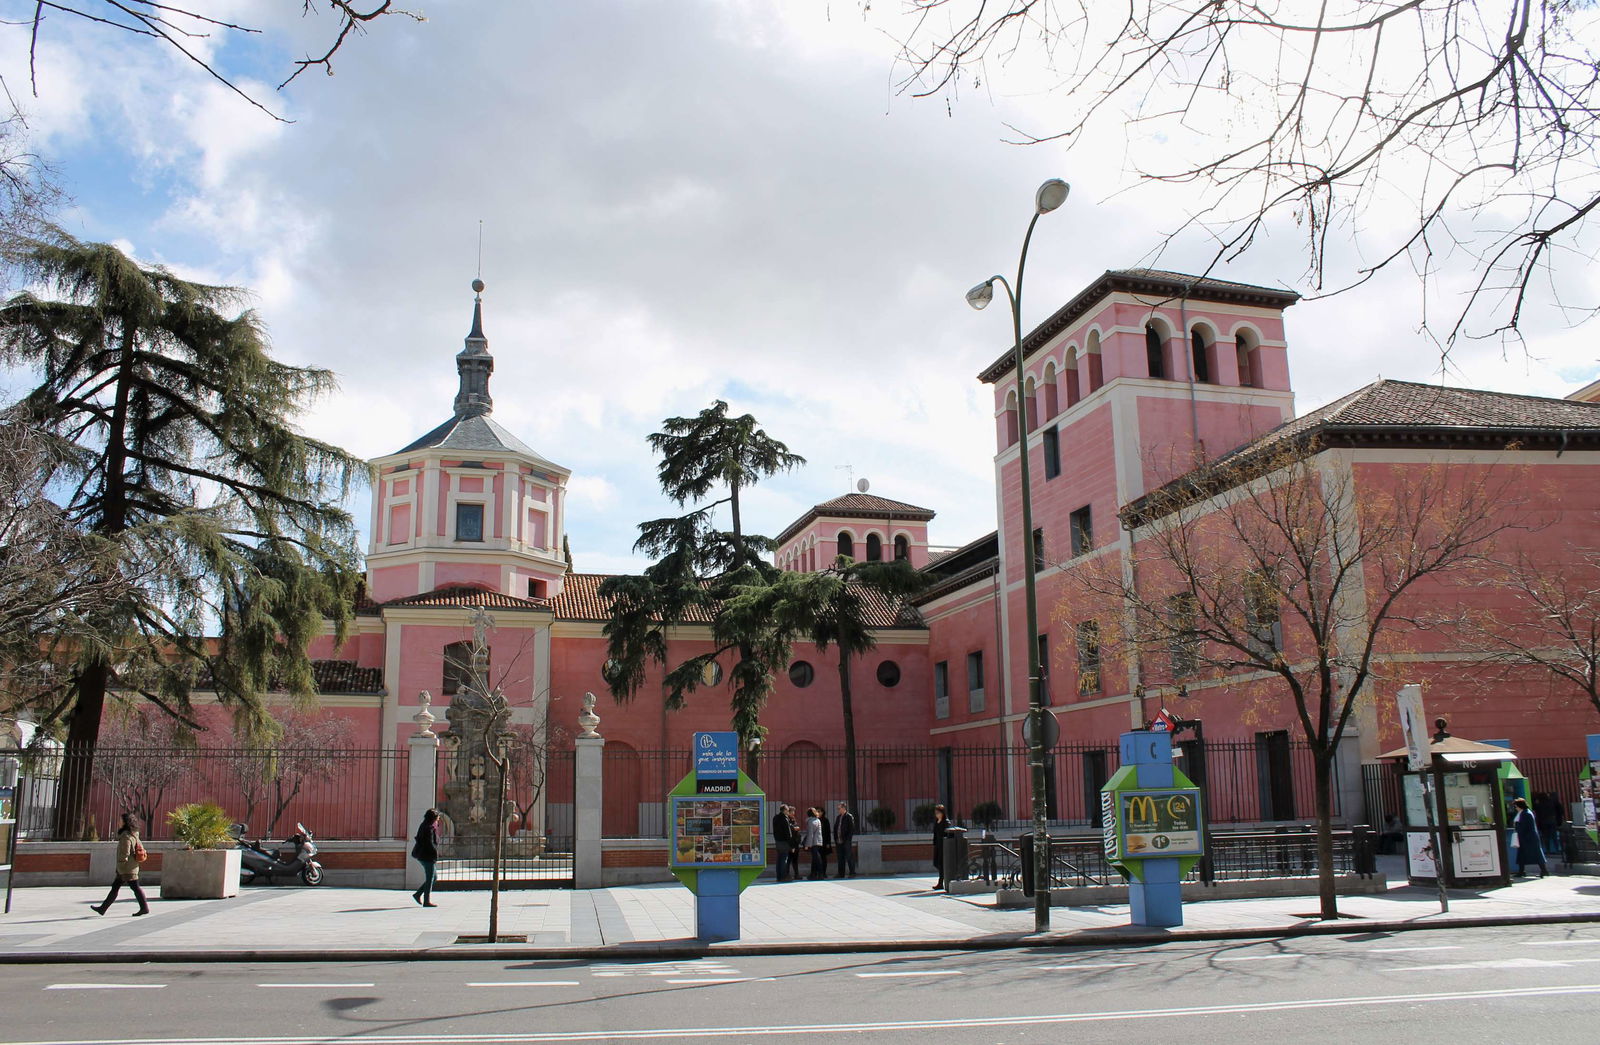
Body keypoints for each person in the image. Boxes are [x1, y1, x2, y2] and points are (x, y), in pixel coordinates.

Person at [91, 812, 150, 917]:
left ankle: (144, 908)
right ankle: (102, 908)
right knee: (116, 887)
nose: (119, 822)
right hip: (130, 866)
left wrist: (121, 863)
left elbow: (125, 852)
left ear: (125, 822)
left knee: (134, 887)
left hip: (126, 868)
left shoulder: (126, 836)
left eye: (120, 820)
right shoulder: (134, 834)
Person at [1511, 797, 1548, 879]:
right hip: (1527, 837)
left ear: (1520, 806)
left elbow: (1524, 826)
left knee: (1536, 854)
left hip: (1528, 838)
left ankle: (1543, 870)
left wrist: (1517, 825)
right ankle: (1522, 871)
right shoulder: (1525, 812)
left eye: (1516, 806)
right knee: (1524, 855)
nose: (1515, 808)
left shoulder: (1525, 814)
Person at [411, 808, 440, 906]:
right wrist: (435, 853)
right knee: (430, 878)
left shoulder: (424, 825)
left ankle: (418, 894)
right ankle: (426, 901)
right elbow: (429, 843)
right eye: (437, 817)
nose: (438, 819)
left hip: (424, 855)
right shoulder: (428, 828)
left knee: (433, 877)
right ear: (433, 818)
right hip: (427, 856)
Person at [1533, 791, 1564, 858]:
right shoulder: (1551, 803)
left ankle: (1548, 850)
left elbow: (1538, 813)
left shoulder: (1539, 805)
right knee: (1554, 836)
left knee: (1546, 837)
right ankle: (1557, 849)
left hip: (1544, 822)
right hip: (1552, 820)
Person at [771, 802, 795, 882]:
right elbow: (788, 833)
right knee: (784, 859)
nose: (788, 812)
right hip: (784, 842)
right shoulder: (785, 819)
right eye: (788, 811)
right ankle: (783, 876)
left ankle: (779, 876)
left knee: (779, 859)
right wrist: (792, 845)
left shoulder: (775, 818)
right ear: (784, 810)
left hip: (778, 841)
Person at [833, 802, 858, 878]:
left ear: (844, 808)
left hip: (846, 841)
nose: (838, 810)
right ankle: (841, 873)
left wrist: (848, 839)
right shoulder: (838, 817)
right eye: (838, 808)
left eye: (839, 808)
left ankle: (852, 873)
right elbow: (836, 828)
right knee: (840, 858)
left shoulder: (849, 816)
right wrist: (836, 838)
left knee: (849, 857)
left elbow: (851, 829)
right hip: (839, 841)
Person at [802, 806, 826, 880]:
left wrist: (807, 845)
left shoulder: (810, 821)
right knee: (815, 859)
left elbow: (810, 834)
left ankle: (819, 874)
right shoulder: (817, 820)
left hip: (813, 842)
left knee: (816, 858)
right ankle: (813, 874)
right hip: (818, 841)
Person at [931, 804, 950, 890]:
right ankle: (943, 878)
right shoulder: (937, 821)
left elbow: (947, 834)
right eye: (936, 813)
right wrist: (934, 843)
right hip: (938, 845)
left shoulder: (946, 822)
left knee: (941, 864)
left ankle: (941, 882)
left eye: (938, 812)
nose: (937, 814)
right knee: (936, 863)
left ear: (942, 813)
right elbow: (935, 834)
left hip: (944, 846)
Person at [784, 805, 803, 882]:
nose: (793, 813)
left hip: (796, 843)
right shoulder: (788, 820)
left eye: (793, 812)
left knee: (795, 860)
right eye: (792, 812)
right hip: (791, 843)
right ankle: (787, 874)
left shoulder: (793, 820)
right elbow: (790, 832)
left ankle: (796, 874)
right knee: (789, 860)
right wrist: (794, 828)